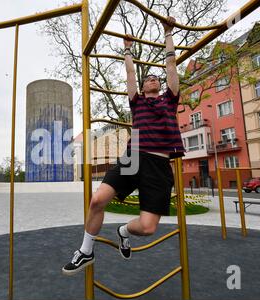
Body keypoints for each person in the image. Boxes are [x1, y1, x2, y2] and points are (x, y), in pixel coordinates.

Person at [62, 16, 185, 275]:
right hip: (134, 157)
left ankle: (123, 231)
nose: (153, 79)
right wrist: (127, 49)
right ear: (142, 86)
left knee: (148, 227)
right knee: (97, 200)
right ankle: (86, 251)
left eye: (156, 78)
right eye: (148, 78)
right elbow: (130, 72)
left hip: (159, 165)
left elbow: (171, 65)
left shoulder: (169, 100)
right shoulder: (137, 102)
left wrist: (168, 33)